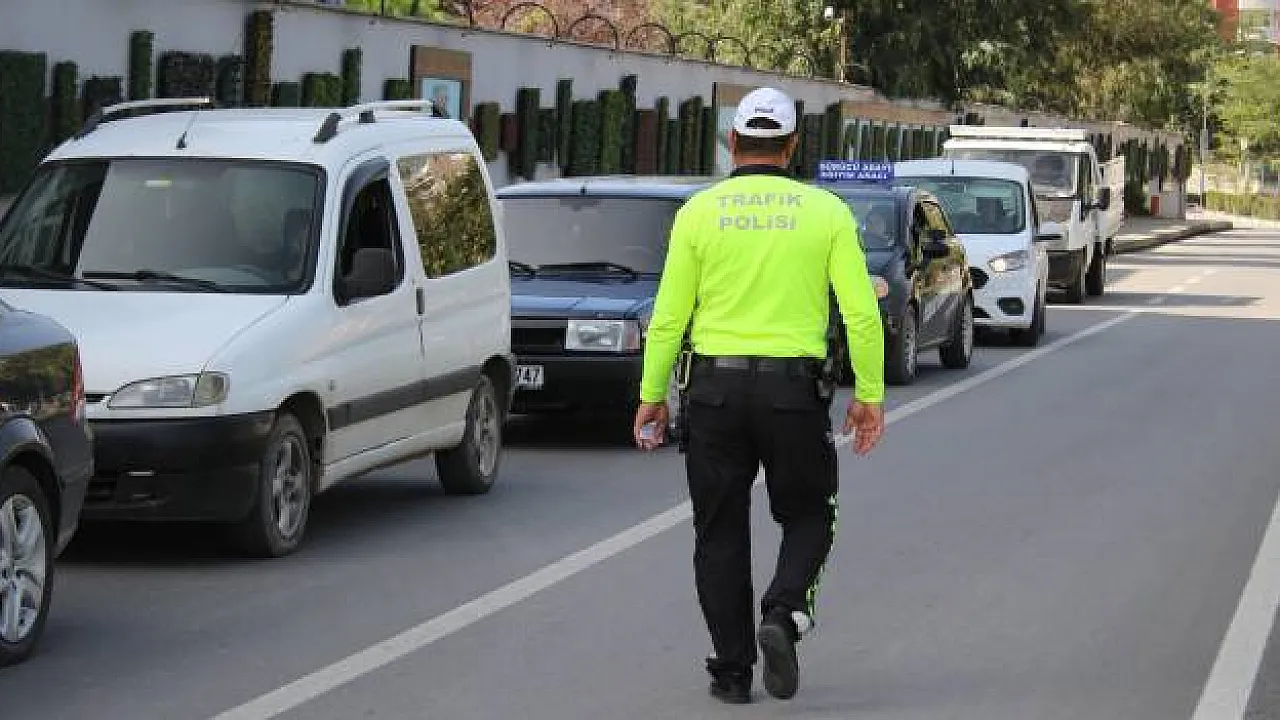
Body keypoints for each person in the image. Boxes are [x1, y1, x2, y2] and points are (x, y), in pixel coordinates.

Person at [633, 86, 886, 704]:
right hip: (792, 395)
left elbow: (668, 317)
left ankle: (730, 671)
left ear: (733, 142)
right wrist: (869, 396)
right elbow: (861, 315)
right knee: (809, 513)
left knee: (718, 531)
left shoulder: (698, 213)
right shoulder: (826, 212)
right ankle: (783, 611)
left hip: (713, 393)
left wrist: (652, 393)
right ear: (792, 145)